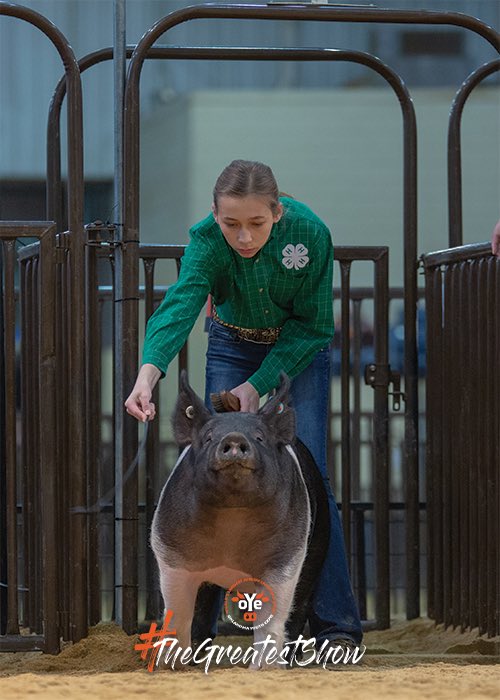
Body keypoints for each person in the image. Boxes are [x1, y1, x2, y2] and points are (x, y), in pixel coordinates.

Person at [125, 159, 363, 654]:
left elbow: (315, 326)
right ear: (215, 215)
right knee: (205, 467)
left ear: (277, 212)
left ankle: (335, 628)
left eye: (256, 223)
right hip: (231, 341)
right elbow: (182, 303)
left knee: (312, 477)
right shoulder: (208, 240)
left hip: (298, 351)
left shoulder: (311, 233)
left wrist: (256, 386)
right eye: (231, 223)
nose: (244, 237)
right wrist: (149, 373)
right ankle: (195, 635)